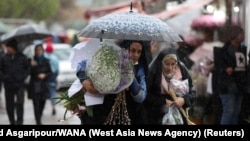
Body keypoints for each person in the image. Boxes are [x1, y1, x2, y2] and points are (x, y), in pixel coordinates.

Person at [77, 40, 151, 125]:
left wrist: (130, 78)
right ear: (125, 49)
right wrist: (84, 80)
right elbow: (83, 64)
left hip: (126, 114)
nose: (136, 55)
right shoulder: (111, 59)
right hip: (103, 112)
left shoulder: (139, 69)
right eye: (133, 50)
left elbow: (140, 97)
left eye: (139, 52)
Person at [144, 47, 196, 125]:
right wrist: (163, 101)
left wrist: (184, 100)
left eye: (173, 64)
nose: (170, 68)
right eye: (167, 64)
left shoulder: (182, 71)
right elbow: (146, 96)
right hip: (158, 116)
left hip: (180, 116)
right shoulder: (154, 73)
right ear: (161, 62)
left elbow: (193, 92)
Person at [216, 25, 247, 125]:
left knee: (236, 112)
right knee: (228, 112)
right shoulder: (225, 50)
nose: (244, 36)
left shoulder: (242, 49)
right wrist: (226, 68)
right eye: (242, 34)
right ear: (236, 35)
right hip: (228, 85)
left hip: (240, 84)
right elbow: (219, 65)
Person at [0, 38, 30, 125]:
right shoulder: (4, 58)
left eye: (8, 47)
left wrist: (23, 77)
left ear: (13, 48)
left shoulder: (22, 57)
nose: (7, 49)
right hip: (8, 85)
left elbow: (28, 69)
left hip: (19, 85)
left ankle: (20, 122)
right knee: (10, 106)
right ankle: (12, 122)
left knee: (20, 104)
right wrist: (4, 77)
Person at [28, 43, 52, 125]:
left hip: (43, 86)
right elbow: (29, 73)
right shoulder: (32, 60)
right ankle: (38, 122)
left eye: (40, 49)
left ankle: (39, 117)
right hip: (34, 86)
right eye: (37, 50)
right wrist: (32, 66)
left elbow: (50, 73)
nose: (38, 51)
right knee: (36, 104)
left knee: (42, 103)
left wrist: (45, 75)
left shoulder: (46, 61)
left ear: (43, 50)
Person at [44, 43, 59, 115]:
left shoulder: (43, 57)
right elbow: (57, 70)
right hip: (52, 77)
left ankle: (42, 108)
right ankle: (53, 107)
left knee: (43, 92)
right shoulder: (55, 58)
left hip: (44, 77)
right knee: (52, 93)